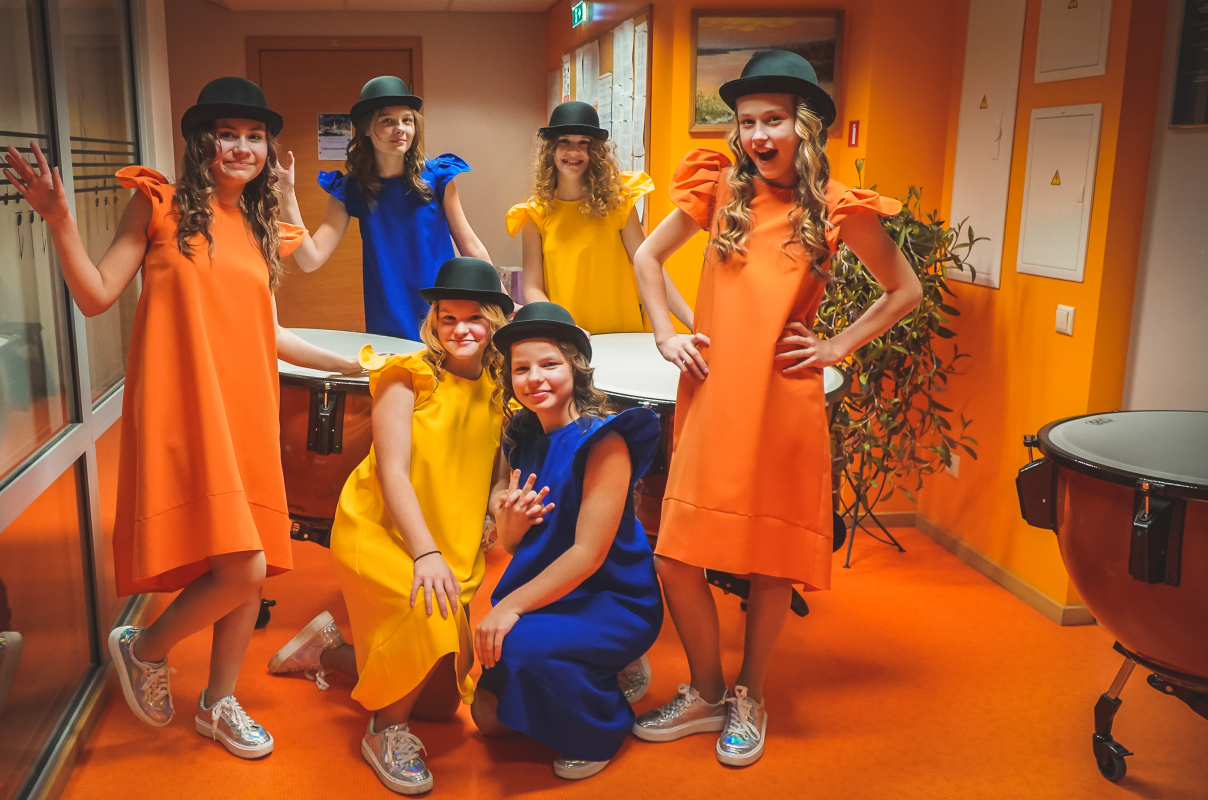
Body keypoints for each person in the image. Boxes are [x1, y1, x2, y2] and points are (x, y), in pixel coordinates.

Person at [2, 77, 360, 760]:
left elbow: (268, 330)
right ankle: (146, 648)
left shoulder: (259, 227)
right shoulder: (157, 204)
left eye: (255, 137)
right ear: (202, 142)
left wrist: (348, 365)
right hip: (186, 408)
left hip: (247, 410)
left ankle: (218, 704)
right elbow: (95, 295)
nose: (243, 147)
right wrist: (58, 219)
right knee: (241, 566)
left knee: (250, 566)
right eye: (229, 134)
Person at [628, 51, 923, 766]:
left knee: (771, 560)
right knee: (675, 556)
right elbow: (646, 257)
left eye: (774, 120)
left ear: (805, 126)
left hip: (783, 398)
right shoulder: (718, 188)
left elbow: (904, 289)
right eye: (747, 121)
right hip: (711, 393)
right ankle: (705, 691)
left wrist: (835, 346)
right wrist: (665, 333)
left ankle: (748, 694)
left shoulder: (836, 208)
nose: (758, 135)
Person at [267, 257, 512, 795]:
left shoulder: (500, 385)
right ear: (434, 321)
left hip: (451, 541)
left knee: (440, 703)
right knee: (430, 618)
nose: (461, 330)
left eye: (474, 318)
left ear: (494, 322)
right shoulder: (407, 375)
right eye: (448, 318)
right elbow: (393, 472)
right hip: (379, 530)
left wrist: (497, 509)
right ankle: (384, 732)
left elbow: (495, 470)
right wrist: (426, 554)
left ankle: (325, 651)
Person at [468, 302, 664, 780]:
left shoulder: (604, 442)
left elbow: (587, 555)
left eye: (549, 364)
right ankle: (591, 671)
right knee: (488, 718)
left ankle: (601, 728)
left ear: (574, 368)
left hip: (612, 597)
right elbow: (513, 542)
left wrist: (510, 607)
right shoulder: (522, 435)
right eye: (521, 369)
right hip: (555, 589)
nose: (534, 378)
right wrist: (508, 520)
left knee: (515, 645)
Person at [280, 76, 490, 341]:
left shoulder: (438, 177)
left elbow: (471, 246)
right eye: (387, 121)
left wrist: (502, 302)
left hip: (446, 320)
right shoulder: (351, 189)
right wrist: (287, 194)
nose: (400, 129)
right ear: (366, 129)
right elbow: (310, 260)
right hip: (388, 327)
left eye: (407, 120)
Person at [507, 102, 692, 334]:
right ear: (551, 150)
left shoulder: (618, 203)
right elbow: (533, 289)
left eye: (583, 142)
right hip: (569, 338)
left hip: (622, 336)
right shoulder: (534, 214)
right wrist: (562, 326)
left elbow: (649, 266)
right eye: (564, 141)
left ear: (594, 151)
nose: (573, 151)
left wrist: (693, 322)